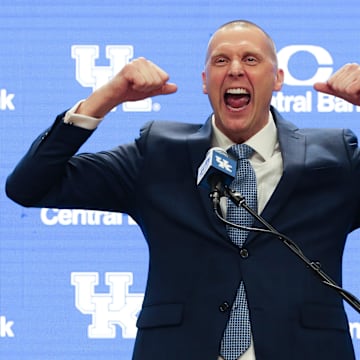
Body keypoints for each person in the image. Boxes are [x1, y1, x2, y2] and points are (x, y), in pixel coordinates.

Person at [5, 19, 360, 360]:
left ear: (278, 78)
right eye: (221, 60)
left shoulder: (335, 155)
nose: (235, 69)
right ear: (206, 81)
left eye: (251, 59)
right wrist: (109, 96)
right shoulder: (159, 152)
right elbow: (30, 186)